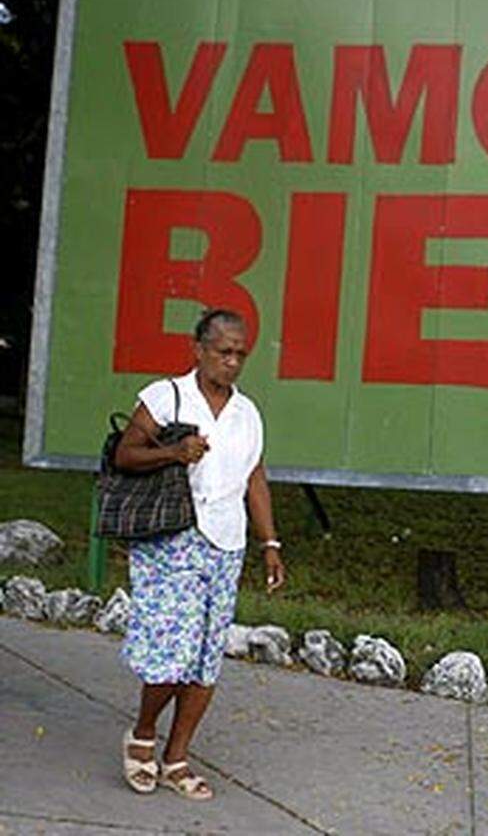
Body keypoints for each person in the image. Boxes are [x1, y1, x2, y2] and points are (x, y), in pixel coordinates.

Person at [114, 308, 284, 800]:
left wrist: (269, 543)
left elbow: (254, 477)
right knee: (173, 653)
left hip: (225, 542)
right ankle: (143, 735)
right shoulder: (166, 396)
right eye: (223, 351)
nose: (231, 362)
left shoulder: (246, 413)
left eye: (239, 354)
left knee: (206, 659)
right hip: (172, 539)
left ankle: (177, 756)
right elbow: (126, 454)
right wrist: (174, 452)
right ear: (199, 349)